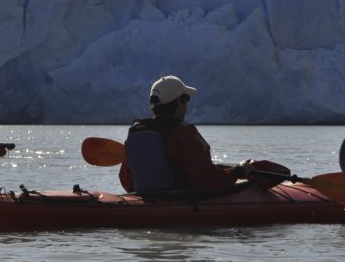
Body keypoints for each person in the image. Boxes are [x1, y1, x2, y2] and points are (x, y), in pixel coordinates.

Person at [118, 75, 290, 196]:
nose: (186, 105)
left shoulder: (136, 131)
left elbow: (127, 181)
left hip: (148, 197)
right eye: (185, 99)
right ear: (178, 102)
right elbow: (210, 183)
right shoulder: (183, 134)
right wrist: (237, 172)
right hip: (180, 199)